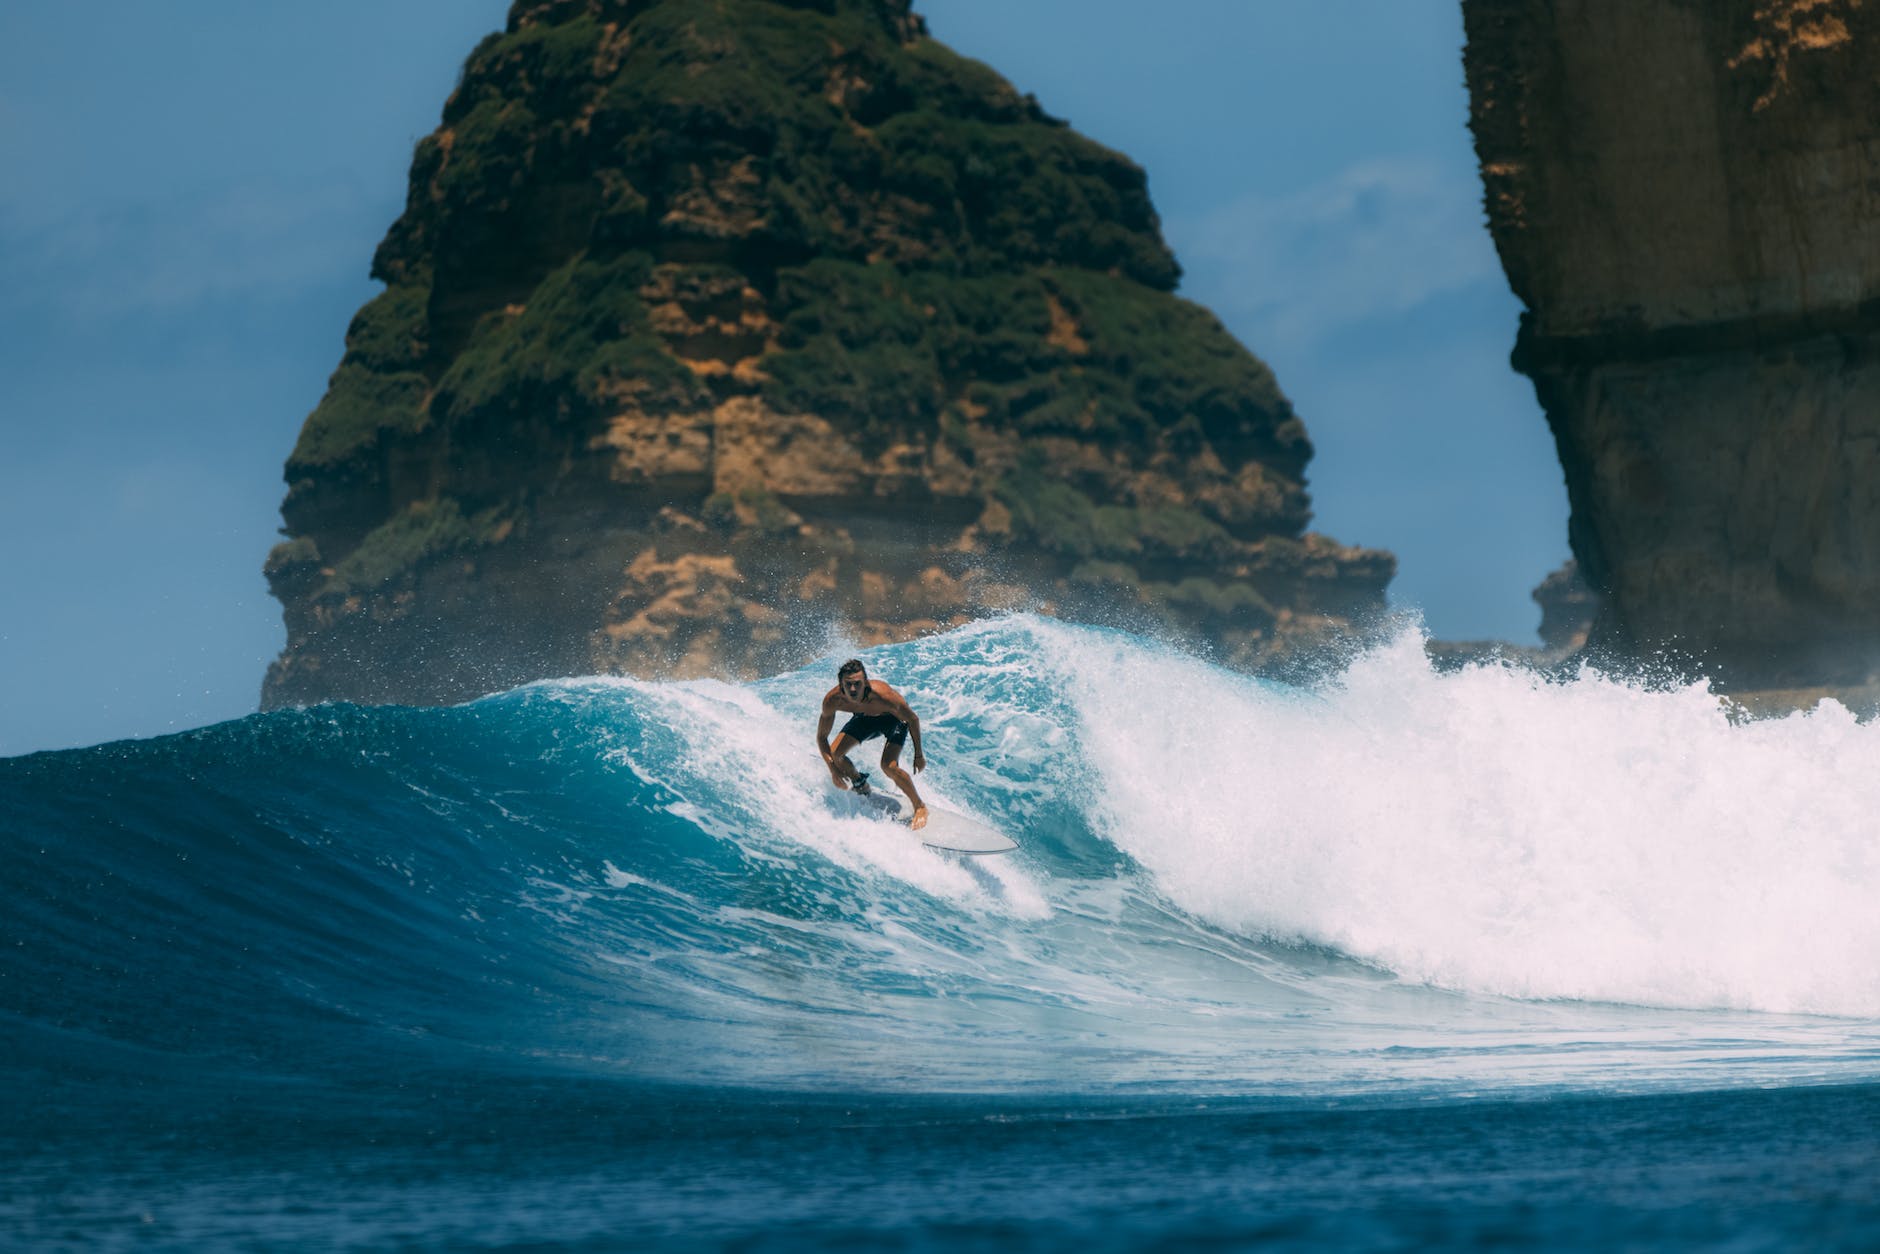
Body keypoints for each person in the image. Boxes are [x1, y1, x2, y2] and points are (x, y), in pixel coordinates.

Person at [816, 657, 928, 830]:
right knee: (835, 755)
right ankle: (860, 783)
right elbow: (822, 737)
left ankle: (919, 806)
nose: (853, 689)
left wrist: (918, 755)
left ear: (865, 682)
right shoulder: (833, 701)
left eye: (858, 684)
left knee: (888, 766)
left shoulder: (884, 697)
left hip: (894, 722)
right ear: (840, 685)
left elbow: (912, 719)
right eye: (848, 684)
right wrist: (833, 770)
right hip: (865, 719)